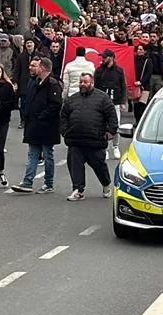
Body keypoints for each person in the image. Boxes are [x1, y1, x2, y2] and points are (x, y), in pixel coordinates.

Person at [60, 72, 118, 201]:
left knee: (100, 167)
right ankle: (78, 190)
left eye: (85, 82)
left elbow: (112, 116)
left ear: (92, 83)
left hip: (95, 142)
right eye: (81, 82)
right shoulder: (72, 99)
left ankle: (106, 183)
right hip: (75, 141)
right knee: (75, 167)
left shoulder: (103, 98)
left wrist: (110, 132)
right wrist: (65, 131)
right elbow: (63, 115)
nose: (82, 84)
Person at [11, 57, 63, 194]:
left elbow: (56, 105)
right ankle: (27, 182)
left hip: (47, 126)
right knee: (33, 153)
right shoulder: (35, 82)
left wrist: (42, 116)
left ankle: (49, 183)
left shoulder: (53, 84)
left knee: (47, 154)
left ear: (43, 68)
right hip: (34, 125)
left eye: (37, 66)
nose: (33, 68)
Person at [93, 49, 127, 160]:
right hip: (102, 102)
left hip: (115, 102)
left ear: (111, 58)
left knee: (115, 125)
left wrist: (123, 102)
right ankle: (105, 148)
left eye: (104, 57)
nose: (102, 59)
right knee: (102, 125)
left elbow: (123, 86)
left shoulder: (119, 71)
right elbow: (95, 87)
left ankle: (115, 146)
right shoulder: (99, 71)